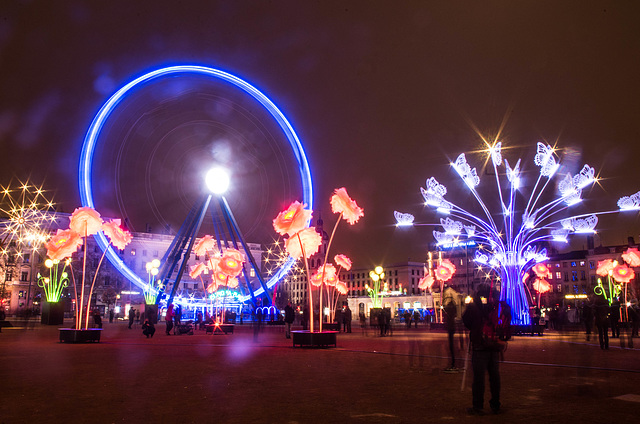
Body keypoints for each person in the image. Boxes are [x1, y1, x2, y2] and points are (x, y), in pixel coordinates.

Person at [462, 285, 503, 415]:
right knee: (494, 376)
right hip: (494, 345)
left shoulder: (474, 307)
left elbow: (466, 321)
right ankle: (495, 404)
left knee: (479, 378)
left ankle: (478, 406)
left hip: (480, 345)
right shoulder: (497, 306)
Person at [444, 298, 458, 372]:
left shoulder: (449, 314)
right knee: (451, 346)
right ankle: (453, 363)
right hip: (452, 328)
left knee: (451, 346)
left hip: (451, 328)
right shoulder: (452, 313)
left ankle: (453, 363)